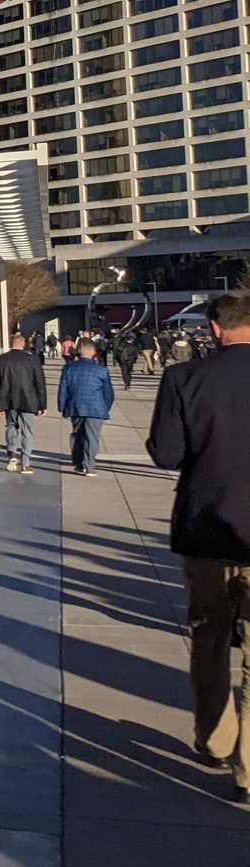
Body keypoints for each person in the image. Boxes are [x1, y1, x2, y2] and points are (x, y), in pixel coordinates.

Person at [145, 291, 250, 807]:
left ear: (213, 328)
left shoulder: (184, 379)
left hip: (206, 528)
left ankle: (215, 739)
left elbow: (165, 454)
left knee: (208, 637)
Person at [0, 331, 47, 475]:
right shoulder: (33, 359)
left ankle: (12, 452)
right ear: (24, 344)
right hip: (29, 399)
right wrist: (42, 404)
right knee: (27, 431)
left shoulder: (0, 359)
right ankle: (26, 464)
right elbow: (40, 382)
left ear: (11, 344)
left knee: (11, 425)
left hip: (8, 399)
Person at [58, 338, 115, 477]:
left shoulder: (69, 368)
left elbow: (63, 389)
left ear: (79, 351)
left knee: (77, 434)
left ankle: (78, 463)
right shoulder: (101, 370)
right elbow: (109, 393)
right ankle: (89, 465)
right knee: (92, 437)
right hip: (96, 407)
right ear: (94, 352)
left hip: (76, 406)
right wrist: (105, 407)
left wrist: (62, 407)